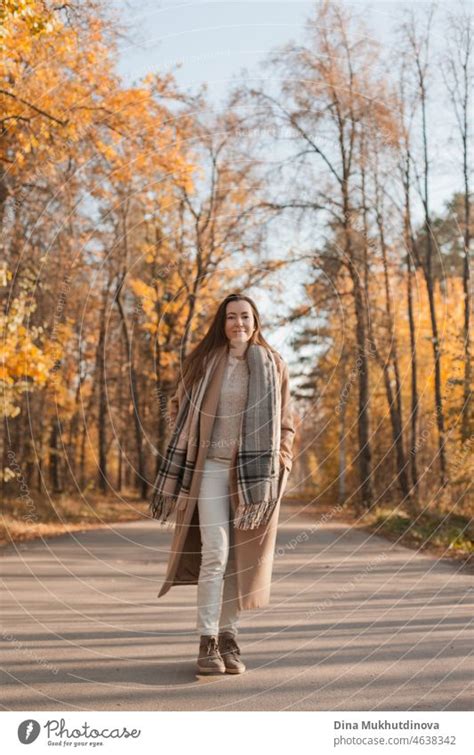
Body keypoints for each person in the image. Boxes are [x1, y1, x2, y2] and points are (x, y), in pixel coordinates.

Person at [150, 293, 296, 675]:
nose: (238, 324)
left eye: (245, 317)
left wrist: (282, 459)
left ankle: (229, 638)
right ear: (222, 322)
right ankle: (207, 640)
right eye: (231, 317)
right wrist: (191, 440)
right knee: (216, 551)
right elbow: (177, 408)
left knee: (237, 558)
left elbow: (287, 424)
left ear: (256, 321)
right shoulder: (203, 363)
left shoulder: (274, 365)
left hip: (253, 477)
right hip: (210, 468)